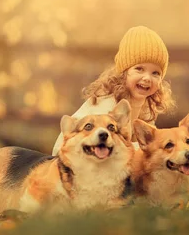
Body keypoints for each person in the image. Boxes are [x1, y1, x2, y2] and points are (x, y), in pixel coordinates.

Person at [51, 26, 176, 155]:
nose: (147, 78)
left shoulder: (146, 108)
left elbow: (148, 140)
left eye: (155, 73)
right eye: (139, 69)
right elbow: (108, 142)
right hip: (71, 157)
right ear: (124, 72)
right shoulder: (108, 102)